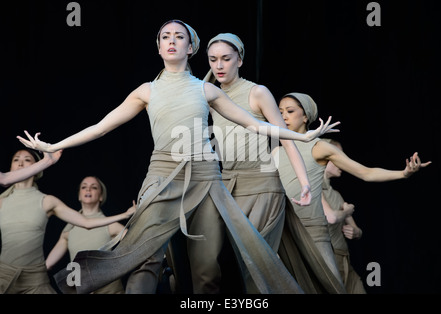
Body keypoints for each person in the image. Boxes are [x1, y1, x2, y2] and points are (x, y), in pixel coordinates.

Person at [17, 20, 339, 294]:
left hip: (207, 180)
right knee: (145, 256)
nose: (171, 41)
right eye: (165, 38)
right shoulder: (147, 91)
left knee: (206, 270)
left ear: (190, 48)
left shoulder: (206, 90)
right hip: (162, 176)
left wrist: (303, 135)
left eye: (179, 37)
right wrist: (53, 144)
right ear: (158, 48)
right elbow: (101, 127)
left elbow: (256, 124)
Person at [274, 92, 431, 293]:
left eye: (289, 111)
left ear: (305, 117)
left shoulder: (319, 147)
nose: (283, 116)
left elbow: (365, 172)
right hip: (286, 233)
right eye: (279, 112)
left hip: (314, 231)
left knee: (332, 289)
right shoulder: (276, 153)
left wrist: (403, 173)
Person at [197, 33, 313, 293]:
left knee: (255, 264)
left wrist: (304, 183)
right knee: (215, 261)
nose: (219, 65)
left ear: (240, 59)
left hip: (262, 186)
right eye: (213, 59)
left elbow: (285, 139)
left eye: (226, 58)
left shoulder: (256, 92)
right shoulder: (208, 94)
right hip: (226, 186)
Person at [0, 149, 135, 294]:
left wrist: (124, 215)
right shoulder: (68, 231)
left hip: (105, 289)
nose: (21, 163)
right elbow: (48, 264)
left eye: (27, 159)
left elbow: (135, 248)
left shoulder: (47, 201)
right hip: (7, 276)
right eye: (16, 159)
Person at [46, 175, 136, 294]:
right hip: (81, 290)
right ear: (79, 195)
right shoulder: (68, 229)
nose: (88, 189)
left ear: (101, 196)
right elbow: (47, 265)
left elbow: (138, 245)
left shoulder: (111, 225)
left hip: (109, 290)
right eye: (84, 187)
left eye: (94, 187)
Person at [321, 138, 366, 294]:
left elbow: (357, 231)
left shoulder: (336, 195)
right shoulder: (313, 189)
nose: (344, 161)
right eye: (339, 156)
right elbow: (331, 217)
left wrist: (355, 232)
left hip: (345, 259)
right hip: (328, 262)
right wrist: (346, 211)